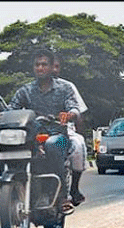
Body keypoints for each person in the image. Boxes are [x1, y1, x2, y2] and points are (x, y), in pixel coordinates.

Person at [0, 49, 81, 210]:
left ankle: (62, 196)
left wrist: (69, 114)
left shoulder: (65, 88)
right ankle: (6, 193)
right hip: (31, 136)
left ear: (52, 68)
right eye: (37, 65)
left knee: (52, 144)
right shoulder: (26, 90)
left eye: (44, 64)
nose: (40, 68)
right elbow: (12, 108)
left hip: (56, 134)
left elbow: (75, 108)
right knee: (5, 144)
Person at [52, 53, 87, 206]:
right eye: (49, 66)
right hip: (38, 131)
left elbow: (78, 113)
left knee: (78, 146)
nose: (53, 70)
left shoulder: (67, 87)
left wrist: (80, 134)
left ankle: (74, 189)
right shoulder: (30, 88)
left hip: (64, 131)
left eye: (56, 66)